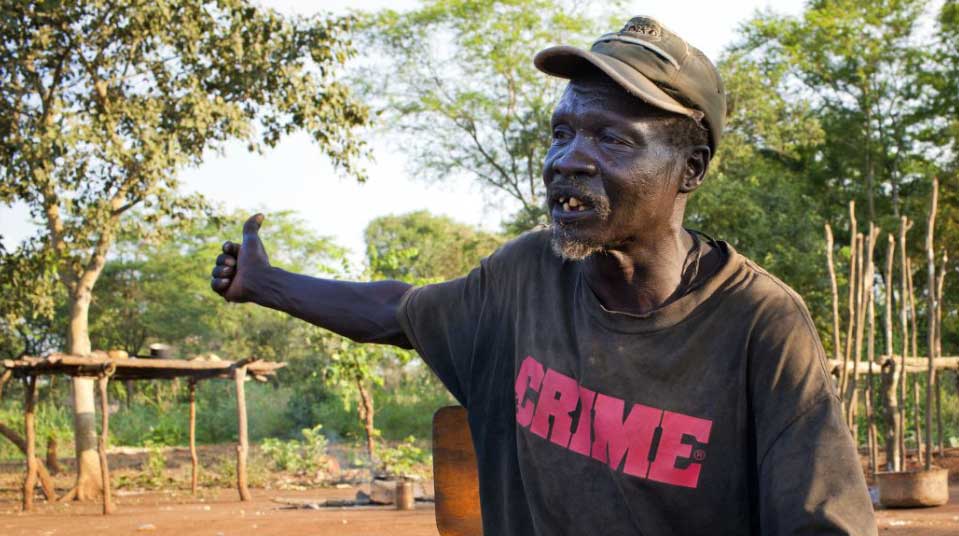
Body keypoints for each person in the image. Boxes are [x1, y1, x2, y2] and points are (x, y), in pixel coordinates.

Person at [210, 16, 877, 536]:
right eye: (561, 132)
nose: (567, 159)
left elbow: (822, 521)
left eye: (611, 139)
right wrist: (264, 285)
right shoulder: (525, 275)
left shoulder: (757, 321)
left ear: (691, 168)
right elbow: (398, 313)